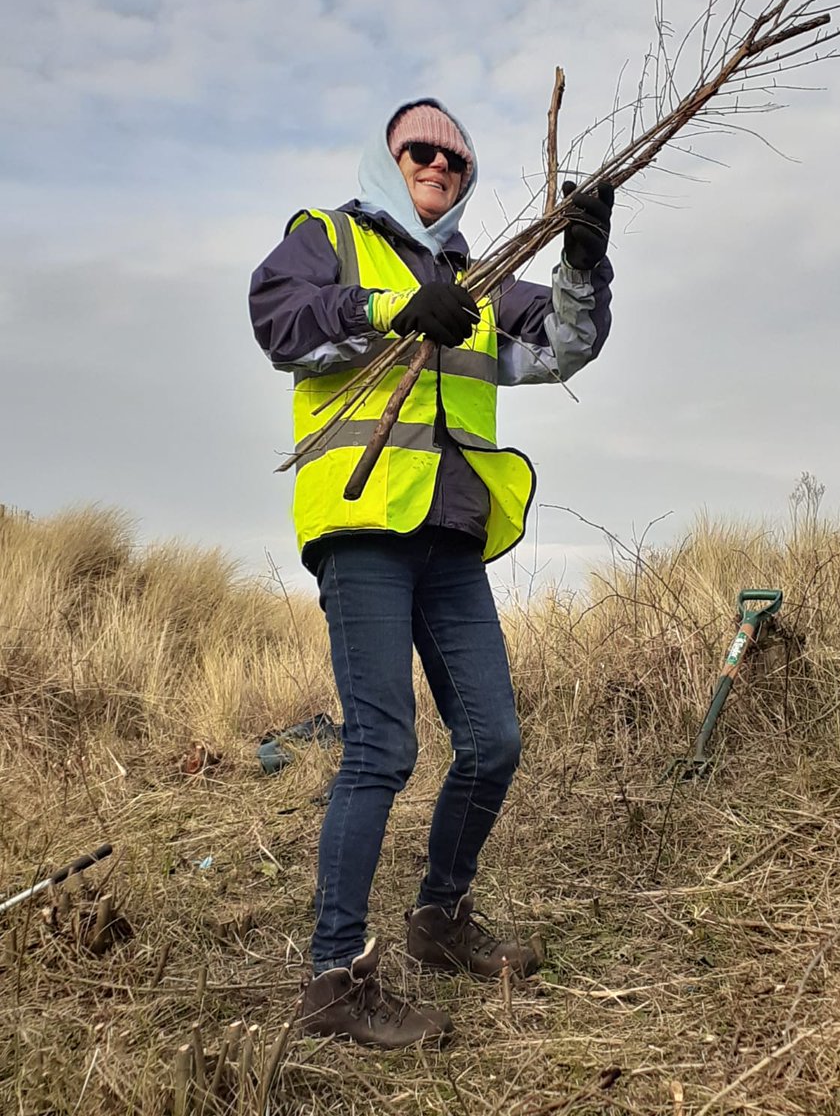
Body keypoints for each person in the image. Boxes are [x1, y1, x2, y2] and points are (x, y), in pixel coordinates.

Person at [249, 99, 613, 1048]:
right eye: (420, 148)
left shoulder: (482, 282)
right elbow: (280, 322)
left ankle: (440, 918)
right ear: (387, 157)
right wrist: (388, 309)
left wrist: (581, 262)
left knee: (492, 740)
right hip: (363, 530)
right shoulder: (326, 237)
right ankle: (334, 978)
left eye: (456, 157)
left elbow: (566, 345)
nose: (439, 164)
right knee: (382, 747)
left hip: (452, 537)